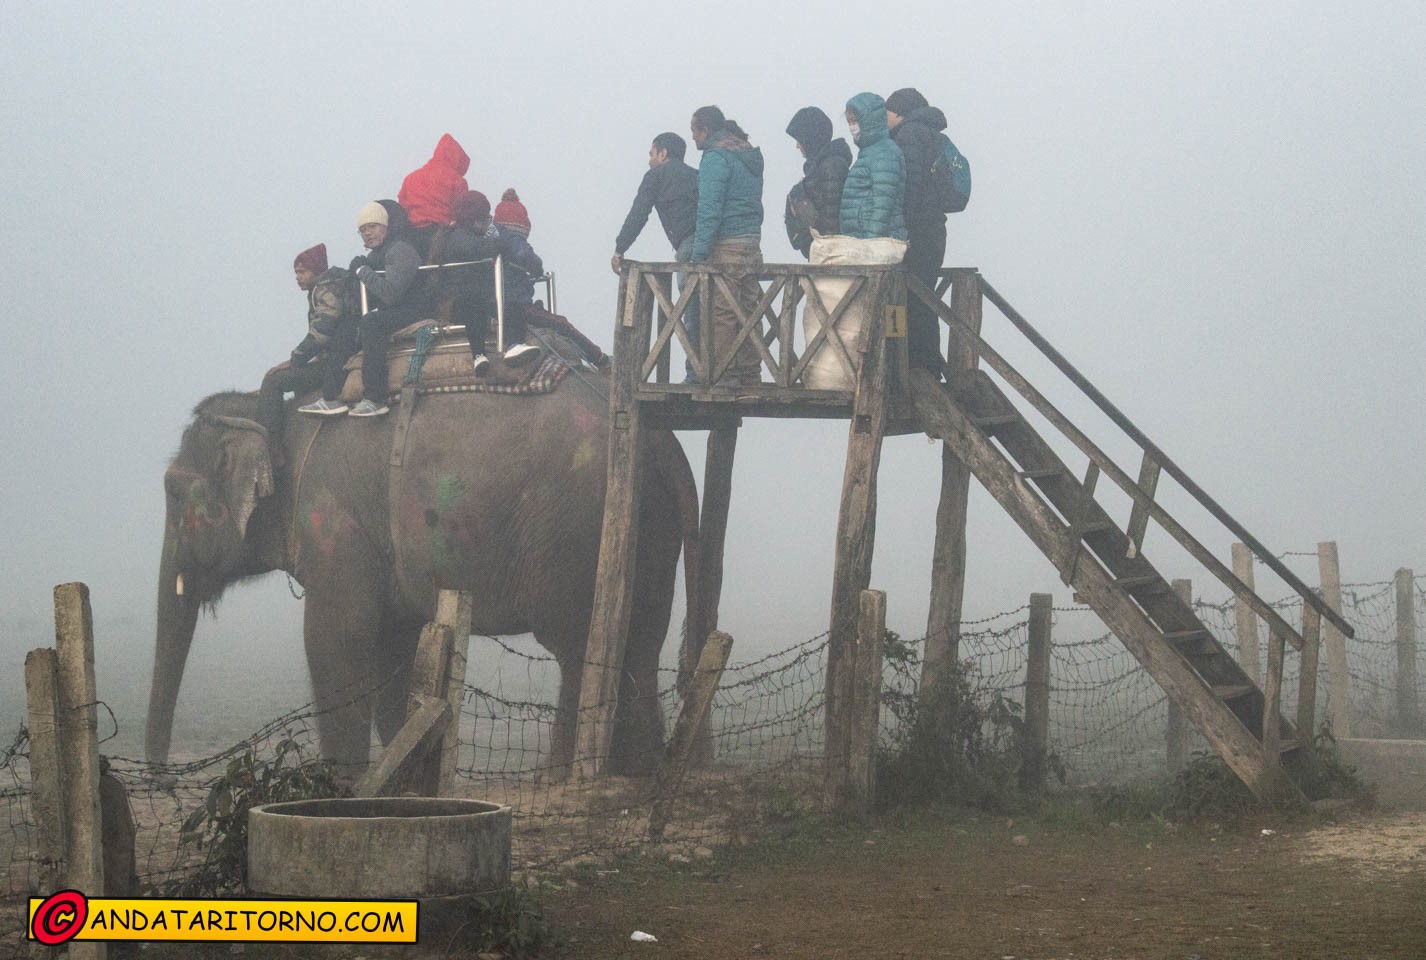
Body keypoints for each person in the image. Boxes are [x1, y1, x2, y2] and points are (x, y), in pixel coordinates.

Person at [799, 93, 906, 390]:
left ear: (870, 119)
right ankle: (880, 370)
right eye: (849, 122)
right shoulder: (872, 153)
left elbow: (883, 199)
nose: (852, 127)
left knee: (887, 311)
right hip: (870, 245)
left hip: (878, 247)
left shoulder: (883, 154)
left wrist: (870, 241)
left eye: (855, 121)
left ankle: (888, 370)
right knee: (879, 310)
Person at [611, 133, 700, 379]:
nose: (649, 160)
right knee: (707, 308)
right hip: (707, 244)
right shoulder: (696, 175)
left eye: (651, 154)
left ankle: (695, 375)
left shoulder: (655, 176)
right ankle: (709, 372)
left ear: (663, 153)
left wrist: (620, 247)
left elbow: (639, 213)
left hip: (688, 246)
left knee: (690, 307)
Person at [689, 105, 765, 385]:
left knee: (721, 312)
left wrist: (699, 254)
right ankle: (749, 372)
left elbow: (709, 210)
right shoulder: (747, 155)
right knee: (748, 308)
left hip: (726, 244)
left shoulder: (715, 158)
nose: (693, 138)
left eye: (694, 131)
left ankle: (723, 374)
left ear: (705, 130)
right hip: (751, 242)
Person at [885, 87, 950, 376]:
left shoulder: (908, 136)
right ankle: (927, 365)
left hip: (915, 231)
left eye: (887, 112)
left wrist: (899, 227)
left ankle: (904, 363)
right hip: (934, 230)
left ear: (899, 111)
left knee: (900, 297)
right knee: (923, 297)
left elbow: (908, 186)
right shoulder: (934, 136)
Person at [443, 189, 543, 374]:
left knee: (510, 306)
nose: (488, 222)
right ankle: (479, 354)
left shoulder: (466, 236)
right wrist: (505, 242)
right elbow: (477, 249)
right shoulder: (458, 237)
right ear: (474, 219)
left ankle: (512, 345)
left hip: (479, 295)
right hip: (461, 299)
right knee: (474, 308)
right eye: (485, 218)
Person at [259, 243, 356, 426]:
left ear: (316, 270)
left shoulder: (325, 290)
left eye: (302, 272)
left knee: (273, 381)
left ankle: (269, 443)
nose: (297, 277)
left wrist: (295, 358)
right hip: (335, 357)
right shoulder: (327, 288)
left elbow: (323, 330)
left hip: (334, 362)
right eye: (296, 273)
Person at [346, 200, 423, 417]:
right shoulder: (376, 255)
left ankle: (375, 397)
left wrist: (363, 271)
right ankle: (332, 394)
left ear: (386, 226)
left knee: (372, 323)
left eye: (372, 226)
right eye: (362, 230)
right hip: (396, 310)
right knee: (350, 325)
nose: (367, 233)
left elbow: (390, 294)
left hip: (414, 309)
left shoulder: (401, 250)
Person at [783, 107, 852, 258]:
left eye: (799, 140)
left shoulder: (831, 166)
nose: (797, 146)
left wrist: (823, 252)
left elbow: (832, 217)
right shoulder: (823, 165)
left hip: (830, 255)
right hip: (825, 253)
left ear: (810, 139)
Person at [397, 133, 471, 259]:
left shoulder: (411, 178)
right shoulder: (456, 179)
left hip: (412, 237)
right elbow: (462, 212)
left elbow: (401, 207)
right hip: (442, 236)